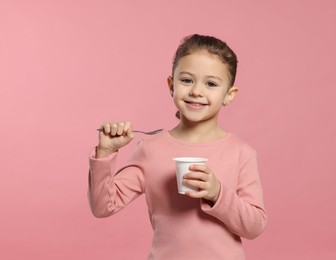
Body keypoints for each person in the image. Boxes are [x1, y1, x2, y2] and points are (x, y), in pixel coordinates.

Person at [88, 34, 267, 259]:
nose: (196, 91)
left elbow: (255, 227)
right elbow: (103, 206)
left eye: (210, 83)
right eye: (186, 80)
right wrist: (105, 153)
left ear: (229, 95)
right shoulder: (150, 149)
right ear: (171, 85)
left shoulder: (241, 153)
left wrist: (217, 193)